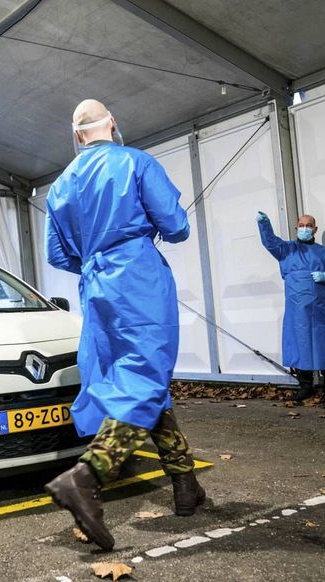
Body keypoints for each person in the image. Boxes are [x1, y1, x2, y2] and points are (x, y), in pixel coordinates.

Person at [43, 98, 204, 551]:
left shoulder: (58, 187)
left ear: (77, 136)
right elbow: (176, 227)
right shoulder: (136, 162)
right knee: (144, 376)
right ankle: (86, 477)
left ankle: (185, 483)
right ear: (112, 122)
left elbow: (58, 256)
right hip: (137, 277)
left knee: (132, 377)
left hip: (95, 286)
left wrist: (96, 258)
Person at [256, 211, 325, 402]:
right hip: (297, 310)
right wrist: (264, 224)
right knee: (300, 345)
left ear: (315, 229)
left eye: (309, 225)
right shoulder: (286, 250)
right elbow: (270, 241)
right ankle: (305, 385)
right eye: (302, 225)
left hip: (320, 309)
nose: (305, 228)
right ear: (296, 228)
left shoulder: (324, 253)